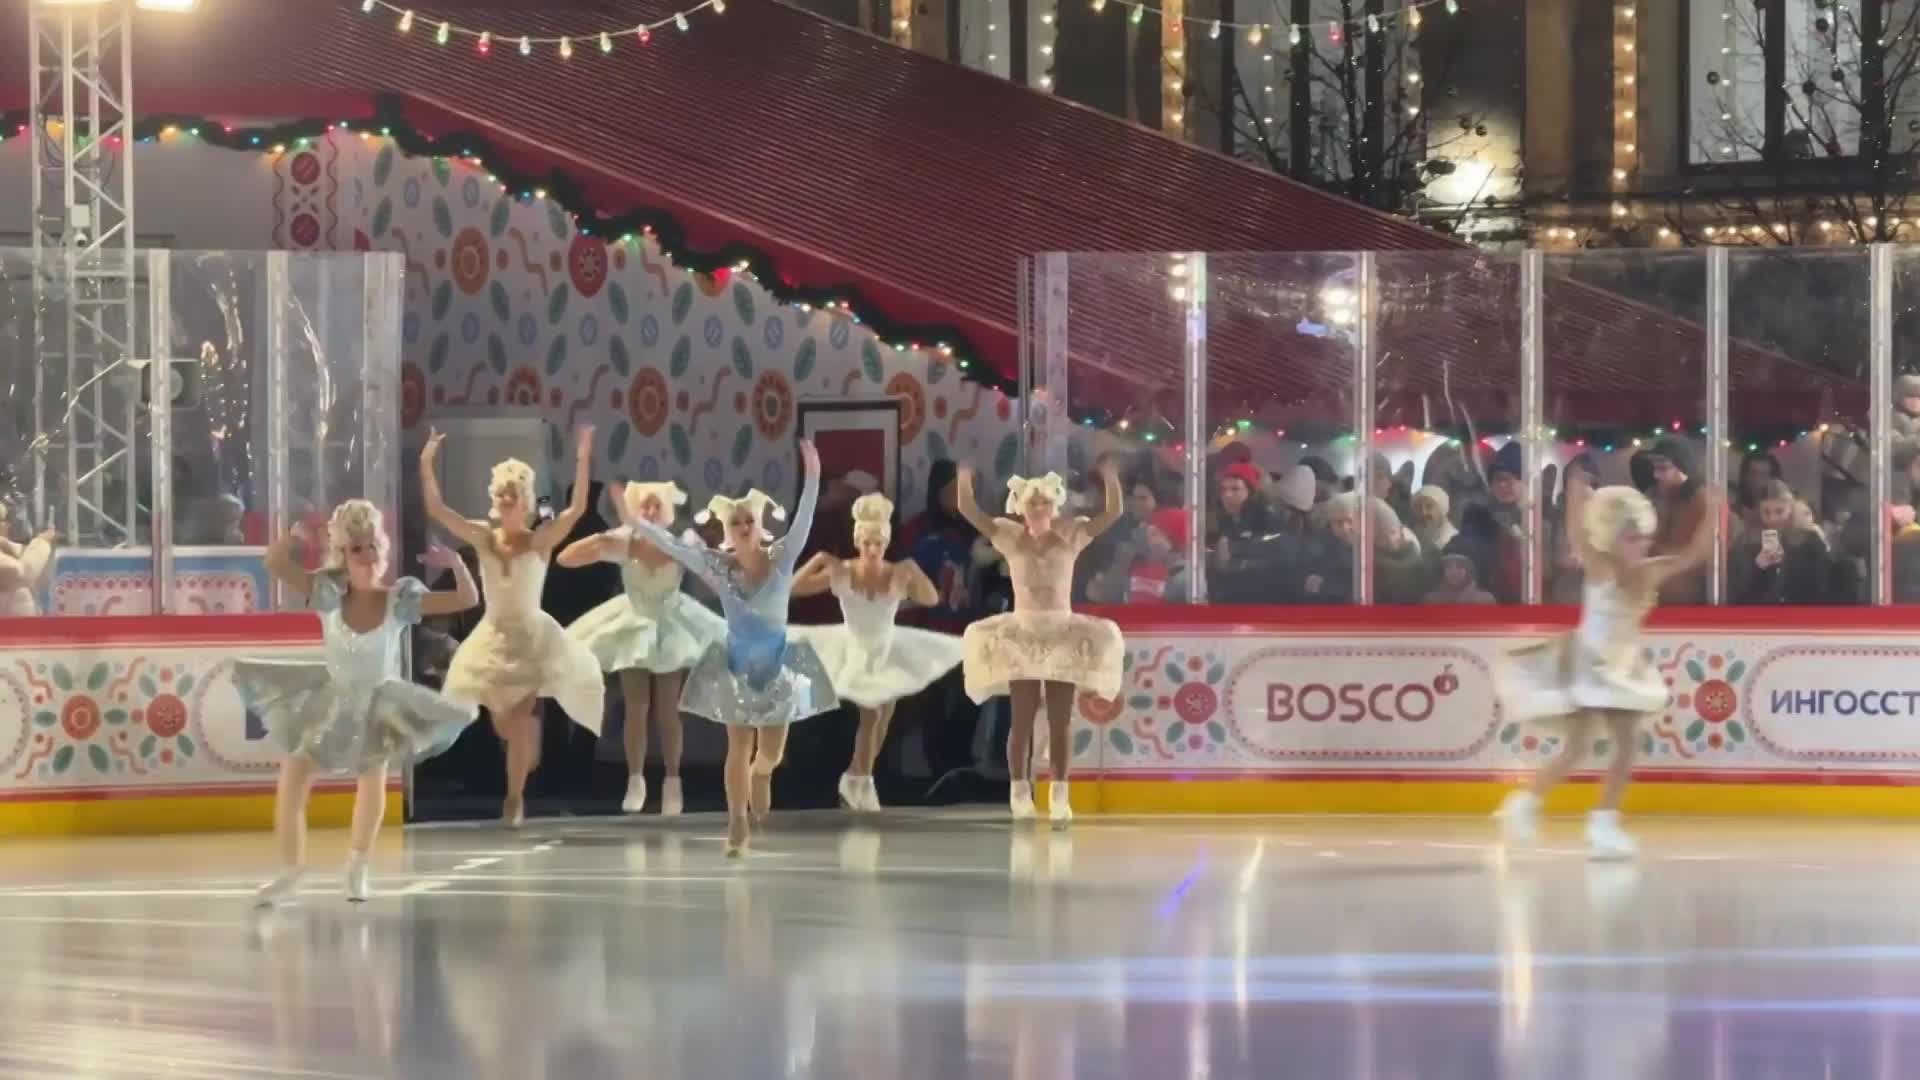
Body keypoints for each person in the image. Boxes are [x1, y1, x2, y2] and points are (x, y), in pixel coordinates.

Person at [240, 500, 480, 904]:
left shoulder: (398, 600)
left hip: (379, 702)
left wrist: (455, 562)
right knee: (294, 778)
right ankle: (292, 869)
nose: (367, 555)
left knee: (372, 780)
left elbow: (466, 599)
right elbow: (275, 563)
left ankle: (357, 867)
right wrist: (296, 534)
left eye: (372, 546)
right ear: (343, 555)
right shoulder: (327, 594)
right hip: (332, 700)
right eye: (357, 549)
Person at [628, 440, 837, 855]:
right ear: (728, 531)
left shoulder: (782, 556)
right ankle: (736, 821)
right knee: (737, 745)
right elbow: (676, 548)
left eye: (748, 520)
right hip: (737, 664)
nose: (743, 526)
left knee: (771, 752)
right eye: (736, 521)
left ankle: (764, 772)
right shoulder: (719, 566)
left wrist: (813, 473)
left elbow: (805, 520)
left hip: (777, 664)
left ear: (759, 527)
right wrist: (637, 520)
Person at [1493, 473, 1718, 858]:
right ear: (1613, 537)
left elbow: (1695, 554)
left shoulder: (1650, 570)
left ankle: (1548, 810)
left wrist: (1715, 510)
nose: (1640, 544)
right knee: (1599, 746)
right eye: (1631, 538)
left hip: (1623, 665)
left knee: (1603, 746)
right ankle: (1575, 818)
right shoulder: (1601, 565)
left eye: (1643, 537)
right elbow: (1578, 536)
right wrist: (1575, 496)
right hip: (1590, 664)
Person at [427, 427, 607, 828]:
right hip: (493, 637)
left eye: (516, 495)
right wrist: (427, 461)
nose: (509, 501)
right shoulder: (484, 538)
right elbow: (439, 510)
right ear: (496, 501)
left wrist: (581, 458)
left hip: (531, 635)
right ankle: (525, 754)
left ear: (525, 503)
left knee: (523, 716)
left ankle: (514, 797)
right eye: (503, 495)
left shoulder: (540, 541)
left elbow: (576, 509)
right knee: (504, 723)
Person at [954, 465, 1125, 827]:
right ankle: (1019, 790)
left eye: (1044, 503)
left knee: (1061, 721)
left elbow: (1113, 513)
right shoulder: (1009, 538)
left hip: (1062, 632)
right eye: (1032, 504)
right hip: (1023, 634)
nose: (1038, 509)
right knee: (1022, 719)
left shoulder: (1070, 536)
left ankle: (1060, 794)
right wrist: (966, 479)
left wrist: (1110, 479)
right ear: (1021, 506)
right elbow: (970, 512)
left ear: (1054, 506)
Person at [558, 481, 726, 815]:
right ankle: (635, 780)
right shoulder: (624, 541)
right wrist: (598, 541)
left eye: (655, 505)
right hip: (633, 622)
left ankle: (672, 782)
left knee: (668, 710)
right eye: (643, 506)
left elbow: (711, 574)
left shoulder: (682, 540)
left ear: (665, 509)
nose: (649, 511)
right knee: (637, 706)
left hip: (670, 622)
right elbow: (565, 558)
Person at [791, 492, 961, 812]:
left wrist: (912, 567)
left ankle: (855, 775)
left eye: (878, 543)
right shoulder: (843, 571)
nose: (872, 549)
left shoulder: (897, 573)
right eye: (867, 543)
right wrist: (821, 560)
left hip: (887, 647)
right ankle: (864, 780)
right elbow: (794, 589)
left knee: (883, 718)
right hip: (855, 648)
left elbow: (931, 599)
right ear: (858, 541)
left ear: (886, 544)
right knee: (871, 714)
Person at [0, 506, 56, 616]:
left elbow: (22, 552)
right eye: (3, 521)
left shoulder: (5, 546)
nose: (7, 525)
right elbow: (21, 572)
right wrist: (42, 542)